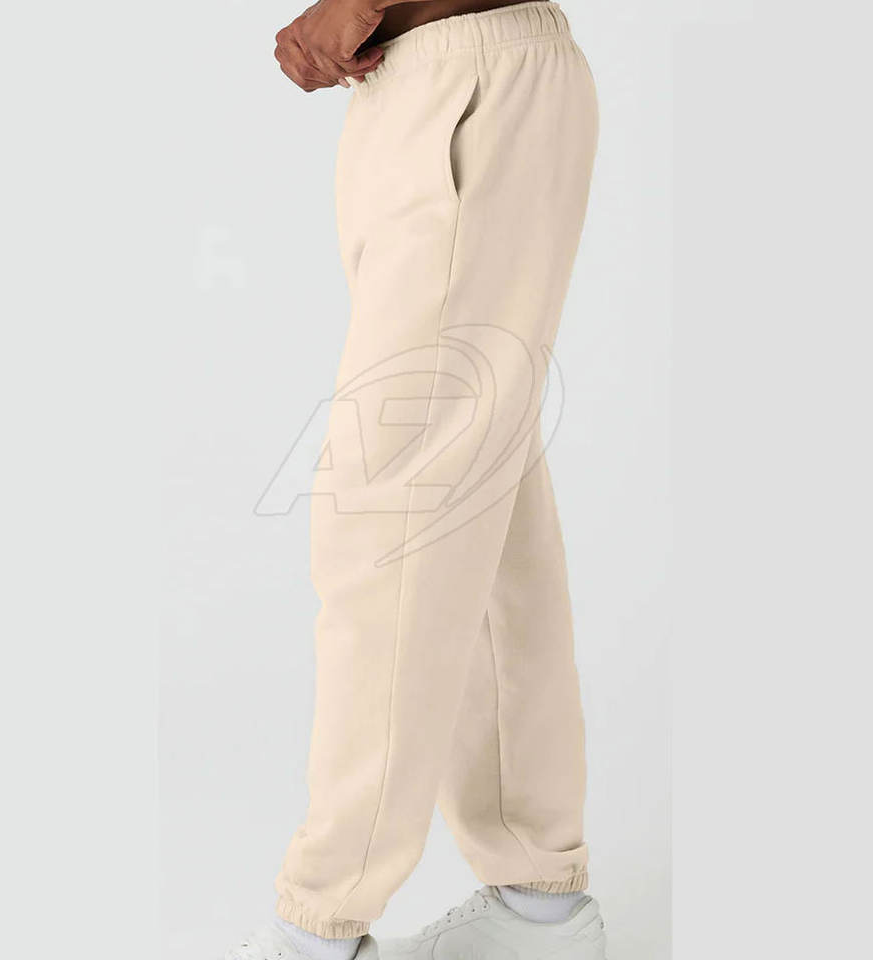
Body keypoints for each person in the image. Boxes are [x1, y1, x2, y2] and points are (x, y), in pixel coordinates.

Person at [231, 3, 605, 959]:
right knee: (483, 499)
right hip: (444, 75)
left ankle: (317, 924)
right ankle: (537, 908)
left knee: (389, 507)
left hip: (464, 77)